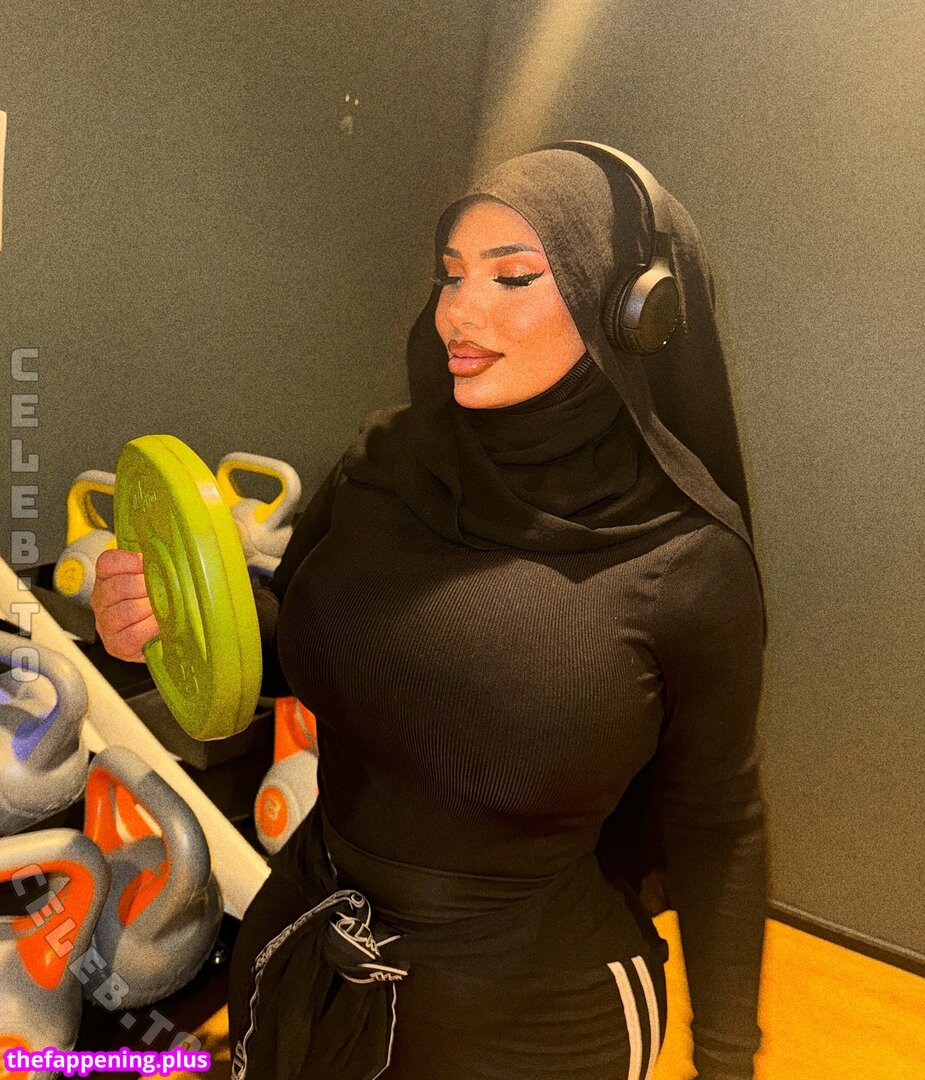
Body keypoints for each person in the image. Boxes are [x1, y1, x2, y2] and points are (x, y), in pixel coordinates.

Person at [92, 144, 767, 1080]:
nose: (458, 310)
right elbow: (295, 644)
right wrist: (168, 621)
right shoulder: (382, 460)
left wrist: (727, 1059)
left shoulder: (687, 560)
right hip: (310, 933)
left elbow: (716, 818)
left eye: (512, 277)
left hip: (531, 1014)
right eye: (451, 274)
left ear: (631, 311)